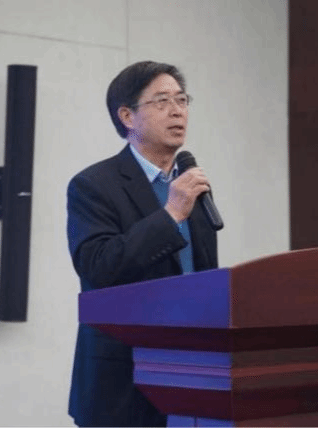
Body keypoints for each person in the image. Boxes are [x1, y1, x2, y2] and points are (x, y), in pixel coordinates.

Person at [66, 60, 219, 427]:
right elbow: (99, 266)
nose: (177, 110)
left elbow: (202, 275)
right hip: (124, 380)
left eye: (182, 99)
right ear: (127, 116)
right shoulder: (93, 185)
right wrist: (171, 214)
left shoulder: (190, 185)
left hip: (193, 373)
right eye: (162, 101)